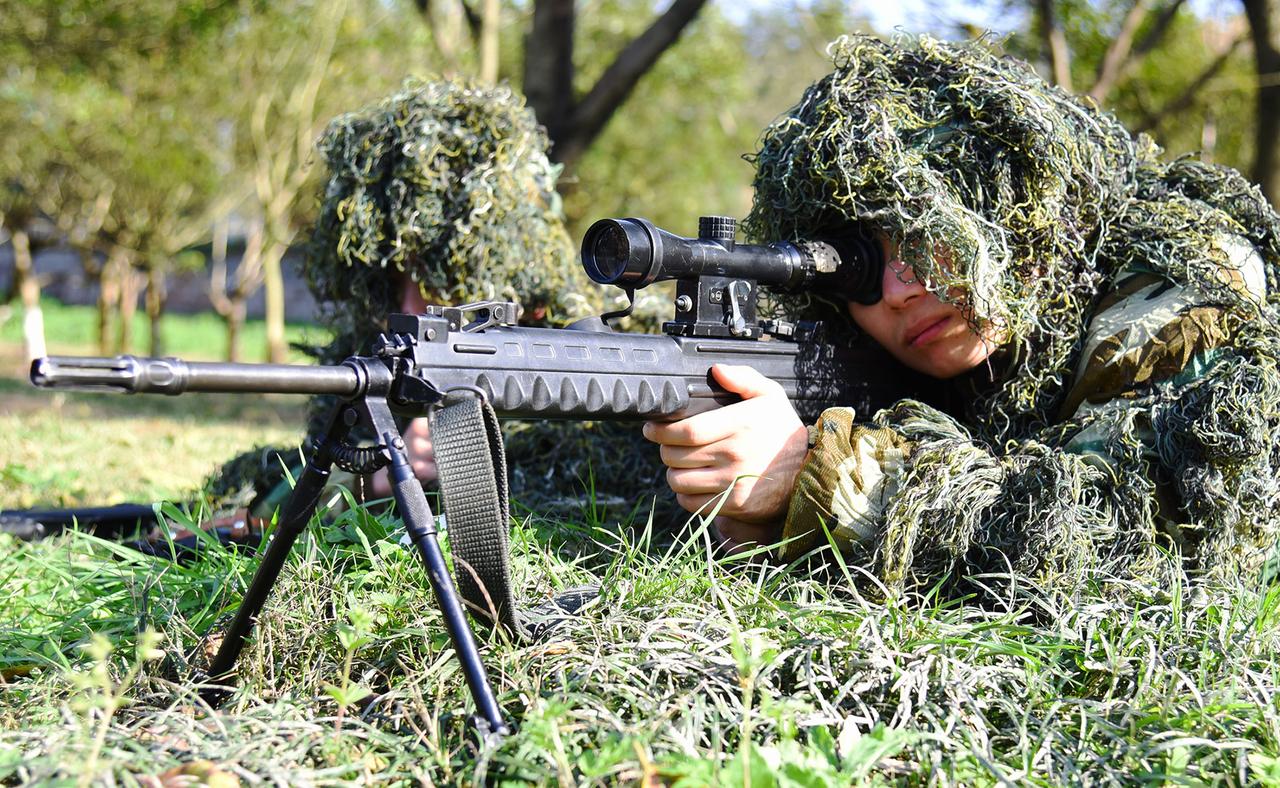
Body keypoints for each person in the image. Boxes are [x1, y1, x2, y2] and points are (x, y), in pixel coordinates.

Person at [643, 35, 1280, 595]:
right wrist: (758, 512)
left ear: (1011, 211)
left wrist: (818, 476)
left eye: (923, 236)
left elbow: (1135, 540)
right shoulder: (942, 345)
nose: (896, 290)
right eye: (859, 265)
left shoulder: (1176, 285)